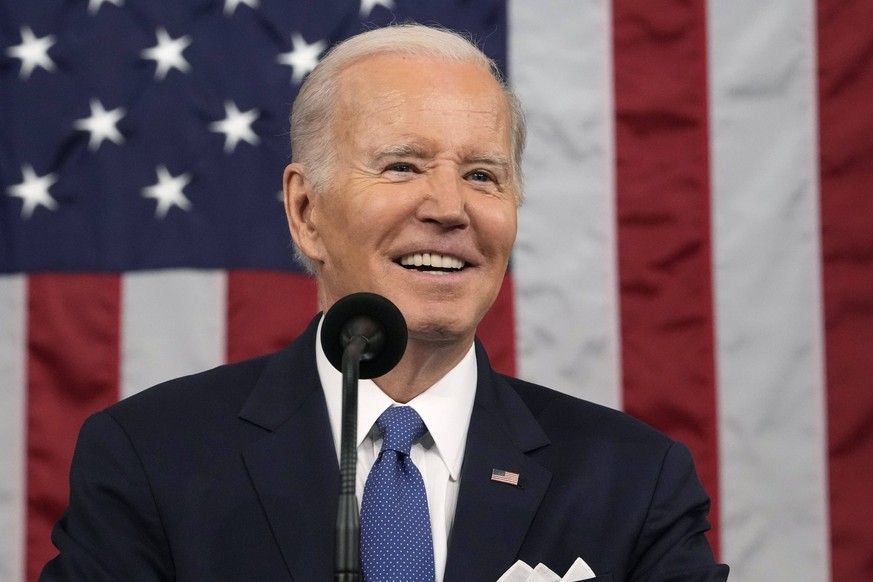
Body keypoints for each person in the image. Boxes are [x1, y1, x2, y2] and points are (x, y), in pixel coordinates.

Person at [40, 23, 729, 582]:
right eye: (402, 165)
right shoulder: (154, 457)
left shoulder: (632, 481)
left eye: (482, 174)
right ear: (306, 210)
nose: (450, 208)